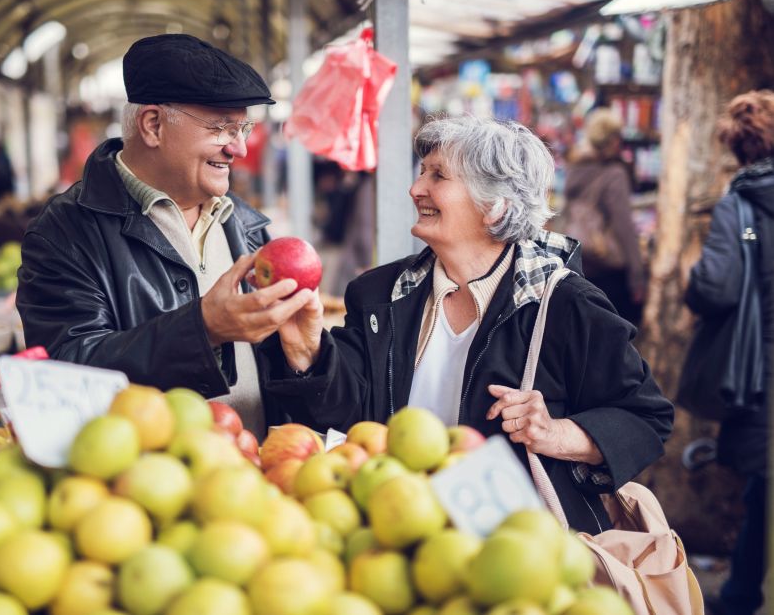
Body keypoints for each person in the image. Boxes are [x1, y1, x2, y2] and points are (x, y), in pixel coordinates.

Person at [260, 115, 674, 534]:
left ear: (496, 208)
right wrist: (306, 350)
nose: (416, 188)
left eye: (438, 176)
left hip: (517, 551)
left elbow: (645, 416)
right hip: (395, 529)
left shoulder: (565, 305)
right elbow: (345, 410)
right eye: (422, 171)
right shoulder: (379, 294)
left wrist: (557, 433)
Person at [16, 35, 317, 440]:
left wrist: (308, 357)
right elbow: (65, 372)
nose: (240, 148)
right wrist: (203, 328)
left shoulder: (248, 226)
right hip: (143, 483)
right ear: (153, 125)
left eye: (242, 127)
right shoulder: (65, 232)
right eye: (221, 128)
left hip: (256, 481)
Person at [687, 90, 773, 615]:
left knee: (764, 488)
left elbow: (716, 286)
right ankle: (743, 591)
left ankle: (743, 597)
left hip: (764, 367)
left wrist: (689, 276)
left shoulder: (741, 204)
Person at [563, 109, 645, 325]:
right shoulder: (614, 174)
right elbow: (623, 226)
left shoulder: (575, 168)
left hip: (580, 261)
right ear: (613, 140)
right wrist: (637, 275)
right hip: (609, 267)